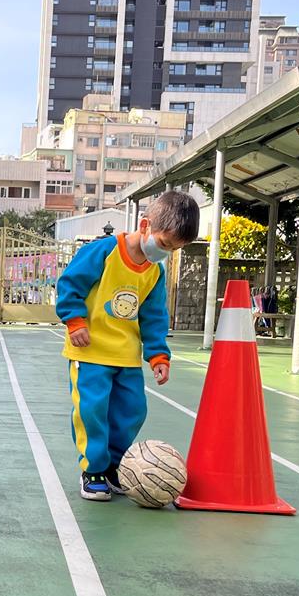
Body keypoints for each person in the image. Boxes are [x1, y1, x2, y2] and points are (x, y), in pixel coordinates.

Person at [56, 191, 199, 501]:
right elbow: (69, 284)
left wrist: (158, 355)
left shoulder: (154, 271)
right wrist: (75, 321)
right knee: (92, 411)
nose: (166, 253)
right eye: (164, 244)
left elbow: (154, 315)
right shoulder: (103, 252)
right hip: (91, 352)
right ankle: (93, 470)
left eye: (174, 250)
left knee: (132, 410)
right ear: (145, 225)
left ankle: (114, 467)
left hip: (127, 355)